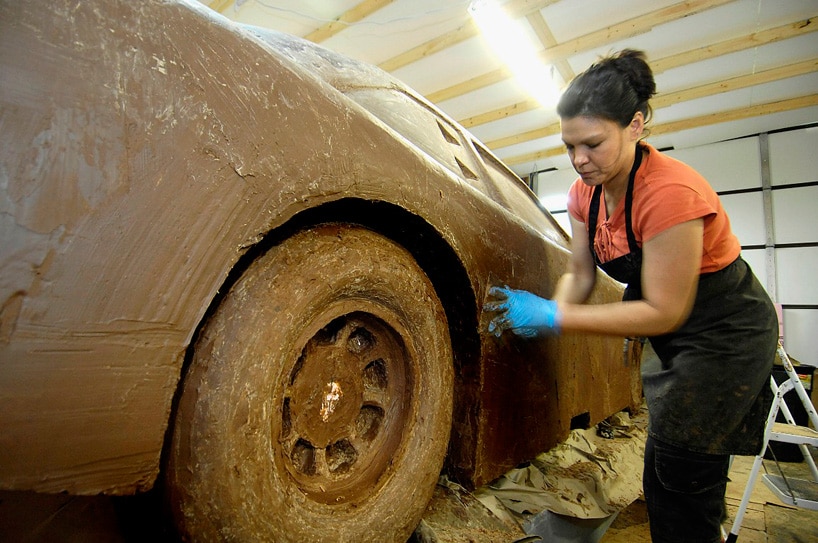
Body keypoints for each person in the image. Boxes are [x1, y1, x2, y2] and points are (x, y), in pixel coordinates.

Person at [484, 49, 778, 543]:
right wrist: (548, 311)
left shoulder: (671, 194)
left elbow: (665, 310)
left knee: (681, 475)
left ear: (636, 125)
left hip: (725, 333)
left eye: (593, 144)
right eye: (569, 146)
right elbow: (580, 272)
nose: (580, 160)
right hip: (675, 329)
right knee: (667, 464)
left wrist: (557, 317)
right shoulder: (584, 193)